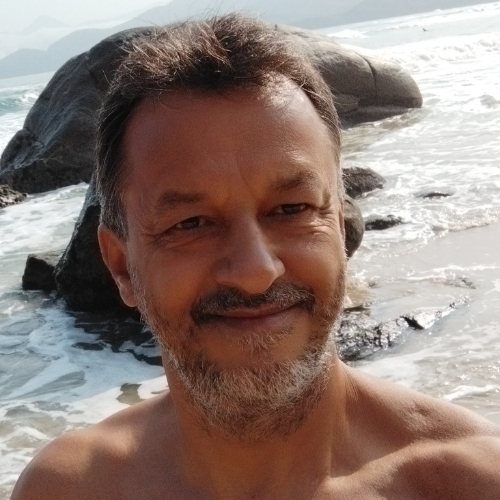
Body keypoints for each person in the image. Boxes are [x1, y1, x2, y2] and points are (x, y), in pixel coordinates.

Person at [11, 13, 500, 500]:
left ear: (340, 228)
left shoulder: (468, 482)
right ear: (121, 266)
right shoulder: (71, 489)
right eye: (191, 224)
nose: (255, 271)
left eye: (291, 209)